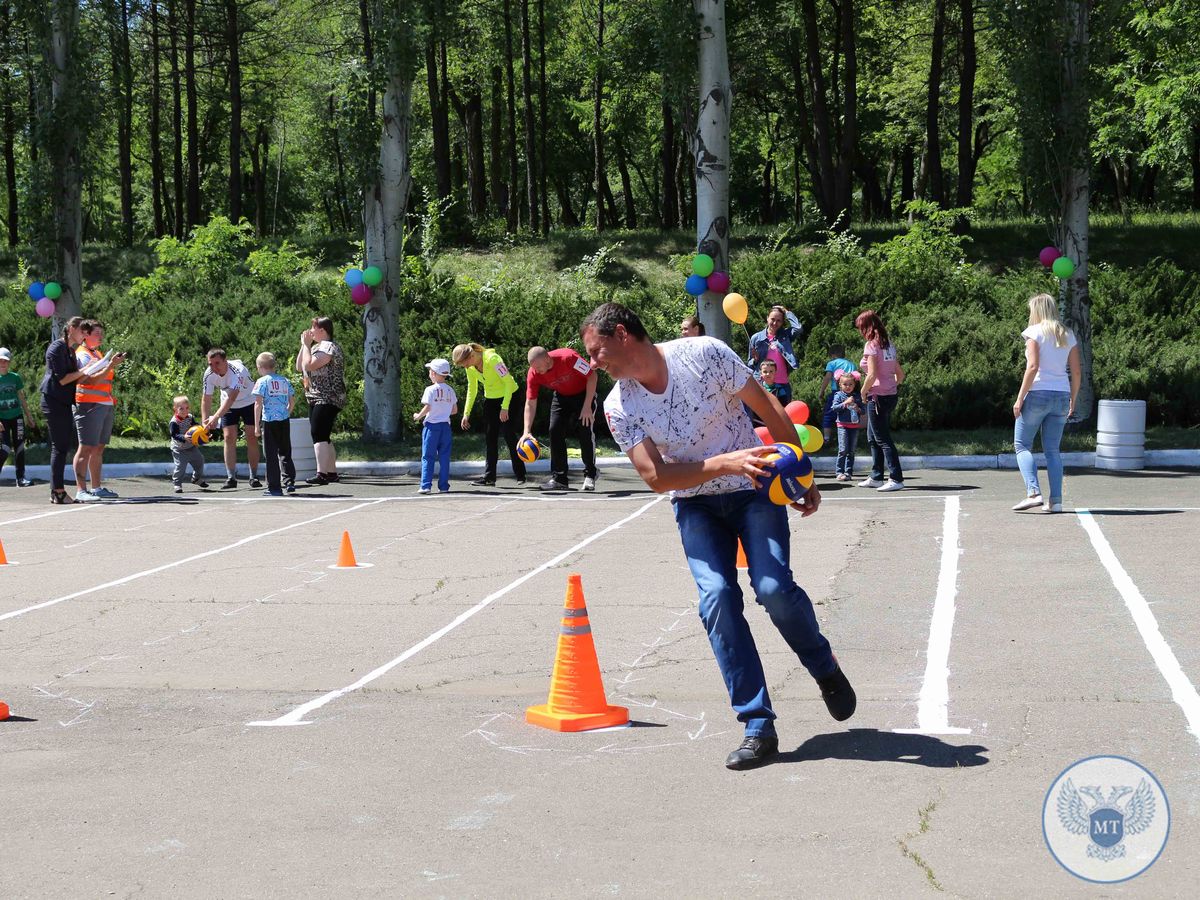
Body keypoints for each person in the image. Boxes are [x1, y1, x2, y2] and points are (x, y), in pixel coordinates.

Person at [582, 301, 856, 771]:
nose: (594, 361)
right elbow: (656, 477)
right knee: (716, 599)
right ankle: (757, 725)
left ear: (623, 334)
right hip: (696, 505)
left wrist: (802, 475)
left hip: (755, 493)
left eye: (597, 350)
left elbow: (767, 406)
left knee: (772, 589)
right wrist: (724, 463)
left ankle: (822, 664)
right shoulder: (617, 406)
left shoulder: (703, 354)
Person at [1012, 293, 1081, 514]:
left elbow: (1032, 367)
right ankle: (1057, 501)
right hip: (1061, 394)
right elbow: (1077, 371)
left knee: (1022, 445)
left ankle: (1033, 493)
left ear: (1037, 310)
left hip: (1037, 394)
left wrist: (1020, 397)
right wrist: (1074, 398)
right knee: (1053, 450)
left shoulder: (1033, 332)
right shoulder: (1067, 334)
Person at [521, 345, 599, 493]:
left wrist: (587, 406)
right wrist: (526, 431)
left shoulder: (568, 357)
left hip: (584, 394)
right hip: (561, 396)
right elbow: (530, 402)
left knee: (585, 430)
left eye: (538, 366)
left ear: (547, 358)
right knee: (554, 430)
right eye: (533, 367)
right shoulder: (534, 373)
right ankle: (559, 478)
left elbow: (592, 376)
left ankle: (590, 474)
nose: (536, 371)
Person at [451, 342, 527, 487]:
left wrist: (505, 407)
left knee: (509, 434)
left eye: (465, 363)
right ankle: (489, 477)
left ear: (472, 355)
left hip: (510, 396)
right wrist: (466, 413)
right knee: (490, 437)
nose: (465, 367)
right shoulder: (471, 367)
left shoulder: (492, 359)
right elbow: (472, 389)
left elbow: (509, 383)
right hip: (491, 399)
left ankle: (520, 474)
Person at [72, 320, 126, 501]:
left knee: (98, 448)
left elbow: (102, 380)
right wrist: (110, 365)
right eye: (97, 334)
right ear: (85, 334)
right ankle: (81, 490)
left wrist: (110, 364)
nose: (101, 337)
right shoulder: (83, 355)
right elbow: (91, 381)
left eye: (101, 333)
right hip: (89, 405)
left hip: (103, 404)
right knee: (86, 447)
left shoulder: (97, 353)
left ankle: (96, 488)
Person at [40, 316, 91, 504]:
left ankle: (57, 491)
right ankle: (58, 491)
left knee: (62, 446)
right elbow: (62, 379)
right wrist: (85, 370)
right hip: (52, 401)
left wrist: (97, 368)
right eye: (82, 331)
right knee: (59, 447)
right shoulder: (57, 348)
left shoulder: (70, 350)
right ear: (71, 329)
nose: (84, 336)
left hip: (62, 402)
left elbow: (76, 379)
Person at [855, 310, 905, 492]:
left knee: (882, 439)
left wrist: (863, 391)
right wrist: (891, 386)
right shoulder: (888, 345)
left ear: (866, 327)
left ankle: (896, 478)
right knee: (872, 437)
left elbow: (872, 374)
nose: (860, 331)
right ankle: (876, 476)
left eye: (860, 327)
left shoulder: (871, 346)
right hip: (889, 396)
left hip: (876, 397)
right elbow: (900, 374)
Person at [201, 348, 261, 490]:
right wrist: (205, 422)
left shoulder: (238, 370)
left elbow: (232, 397)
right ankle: (231, 477)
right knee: (228, 437)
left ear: (225, 361)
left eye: (217, 363)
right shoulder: (209, 374)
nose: (214, 368)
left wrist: (215, 417)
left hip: (249, 401)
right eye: (210, 364)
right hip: (227, 405)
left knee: (251, 436)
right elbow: (206, 398)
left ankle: (254, 476)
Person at [295, 317, 346, 486]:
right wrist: (305, 345)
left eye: (313, 328)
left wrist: (307, 345)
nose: (310, 331)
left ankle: (321, 474)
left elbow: (309, 365)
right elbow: (299, 366)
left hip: (327, 396)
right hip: (315, 396)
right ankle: (331, 473)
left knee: (318, 434)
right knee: (323, 435)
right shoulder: (316, 347)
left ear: (323, 330)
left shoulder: (328, 346)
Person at [252, 352, 297, 497]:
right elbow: (292, 400)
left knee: (270, 454)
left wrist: (256, 426)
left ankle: (274, 487)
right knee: (285, 451)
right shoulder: (284, 380)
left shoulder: (262, 382)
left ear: (260, 367)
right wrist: (287, 412)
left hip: (269, 420)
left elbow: (258, 404)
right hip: (283, 420)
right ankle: (289, 481)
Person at [413, 357, 458, 495]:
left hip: (432, 427)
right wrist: (444, 411)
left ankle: (426, 485)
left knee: (428, 456)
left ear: (433, 373)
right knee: (444, 457)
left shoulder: (430, 389)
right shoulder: (450, 390)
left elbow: (428, 407)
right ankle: (443, 485)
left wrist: (418, 416)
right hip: (446, 426)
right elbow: (454, 410)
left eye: (430, 371)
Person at [747, 305, 803, 405]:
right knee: (762, 417)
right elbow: (749, 364)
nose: (774, 323)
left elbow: (798, 328)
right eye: (772, 319)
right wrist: (755, 360)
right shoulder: (756, 338)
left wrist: (787, 312)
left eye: (779, 321)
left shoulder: (785, 335)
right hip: (762, 384)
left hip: (782, 383)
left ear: (782, 323)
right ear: (767, 318)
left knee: (784, 415)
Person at [0, 347, 35, 487]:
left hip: (17, 417)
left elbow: (22, 398)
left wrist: (29, 417)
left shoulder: (15, 377)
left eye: (5, 361)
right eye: (0, 360)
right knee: (5, 448)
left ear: (9, 363)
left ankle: (21, 478)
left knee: (20, 446)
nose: (3, 363)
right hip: (2, 419)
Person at [818, 345, 858, 445]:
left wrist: (821, 391)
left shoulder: (832, 363)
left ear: (832, 355)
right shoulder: (851, 364)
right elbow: (856, 380)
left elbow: (827, 377)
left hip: (836, 392)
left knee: (828, 414)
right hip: (850, 393)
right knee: (848, 414)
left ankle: (827, 439)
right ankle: (848, 437)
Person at [168, 395, 208, 493]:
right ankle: (177, 484)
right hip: (179, 449)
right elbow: (174, 435)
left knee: (200, 461)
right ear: (175, 409)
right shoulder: (174, 422)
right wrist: (184, 437)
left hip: (191, 447)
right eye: (181, 408)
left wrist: (203, 432)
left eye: (186, 408)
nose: (184, 411)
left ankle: (196, 478)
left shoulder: (189, 417)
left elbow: (195, 426)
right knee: (180, 467)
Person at [830, 371, 864, 482]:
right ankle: (839, 472)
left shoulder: (857, 396)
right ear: (840, 384)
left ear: (854, 384)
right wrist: (845, 403)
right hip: (842, 426)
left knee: (851, 451)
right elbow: (834, 408)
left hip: (854, 426)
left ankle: (848, 472)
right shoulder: (838, 395)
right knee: (843, 449)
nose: (848, 387)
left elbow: (863, 410)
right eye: (845, 384)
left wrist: (858, 408)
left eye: (850, 384)